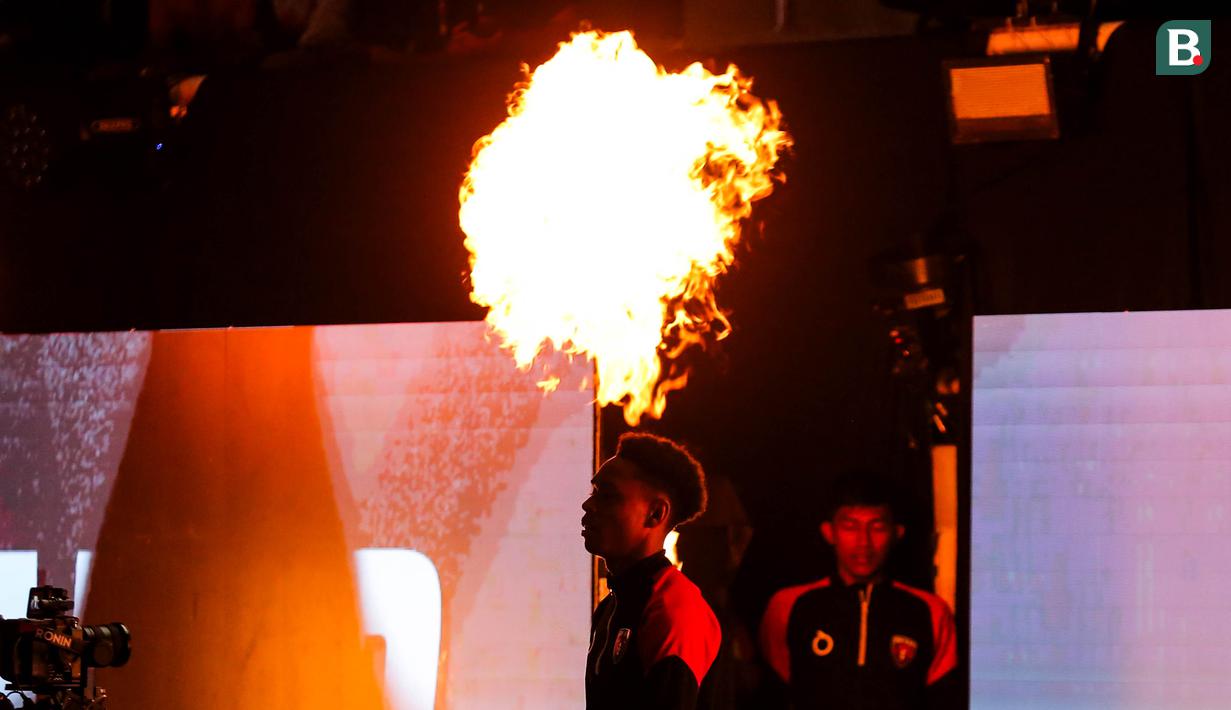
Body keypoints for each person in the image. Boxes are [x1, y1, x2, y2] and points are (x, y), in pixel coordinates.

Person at [758, 471, 958, 709]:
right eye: (850, 527)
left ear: (897, 533)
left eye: (877, 527)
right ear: (829, 532)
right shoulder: (788, 605)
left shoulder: (931, 611)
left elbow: (944, 699)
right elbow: (773, 694)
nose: (864, 542)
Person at [582, 432, 722, 710]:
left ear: (656, 513)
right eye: (594, 492)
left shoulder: (674, 610)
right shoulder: (612, 606)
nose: (588, 505)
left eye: (607, 496)